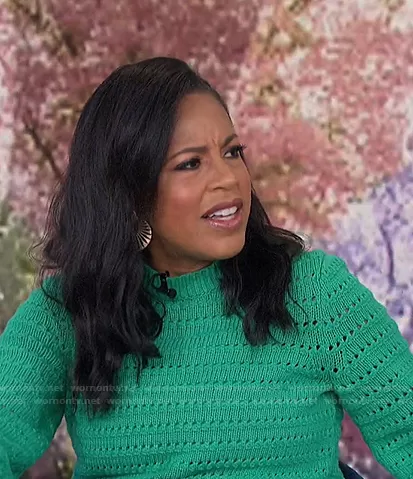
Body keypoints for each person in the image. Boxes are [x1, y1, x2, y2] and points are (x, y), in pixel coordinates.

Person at [0, 57, 411, 479]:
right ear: (130, 195)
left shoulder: (312, 292)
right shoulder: (67, 313)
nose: (229, 179)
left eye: (232, 152)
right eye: (191, 163)